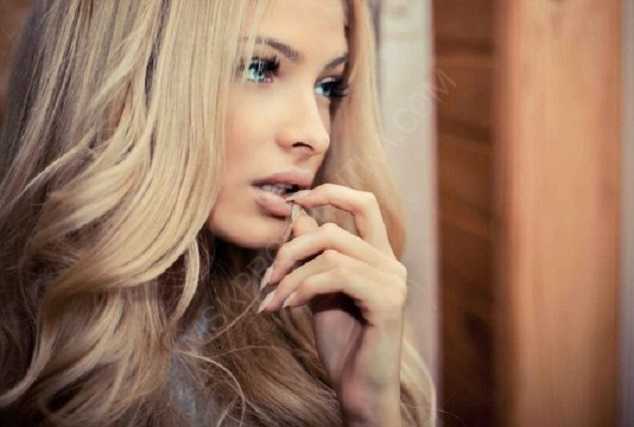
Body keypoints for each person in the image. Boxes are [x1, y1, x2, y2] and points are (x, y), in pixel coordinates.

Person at [0, 1, 436, 426]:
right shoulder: (24, 346)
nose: (316, 135)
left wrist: (370, 409)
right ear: (131, 79)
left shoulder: (319, 318)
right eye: (259, 68)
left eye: (329, 86)